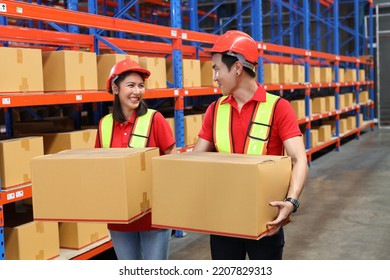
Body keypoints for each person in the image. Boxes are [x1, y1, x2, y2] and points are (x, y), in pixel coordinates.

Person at [193, 30, 308, 260]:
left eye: (217, 69)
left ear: (237, 68)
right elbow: (196, 161)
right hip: (223, 220)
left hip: (265, 221)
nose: (214, 77)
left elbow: (299, 158)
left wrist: (291, 201)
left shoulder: (278, 107)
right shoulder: (214, 110)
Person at [95, 58, 176, 260]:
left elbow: (172, 162)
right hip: (119, 217)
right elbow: (98, 167)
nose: (137, 91)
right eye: (130, 85)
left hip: (153, 216)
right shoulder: (104, 125)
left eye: (141, 86)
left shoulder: (154, 119)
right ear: (115, 88)